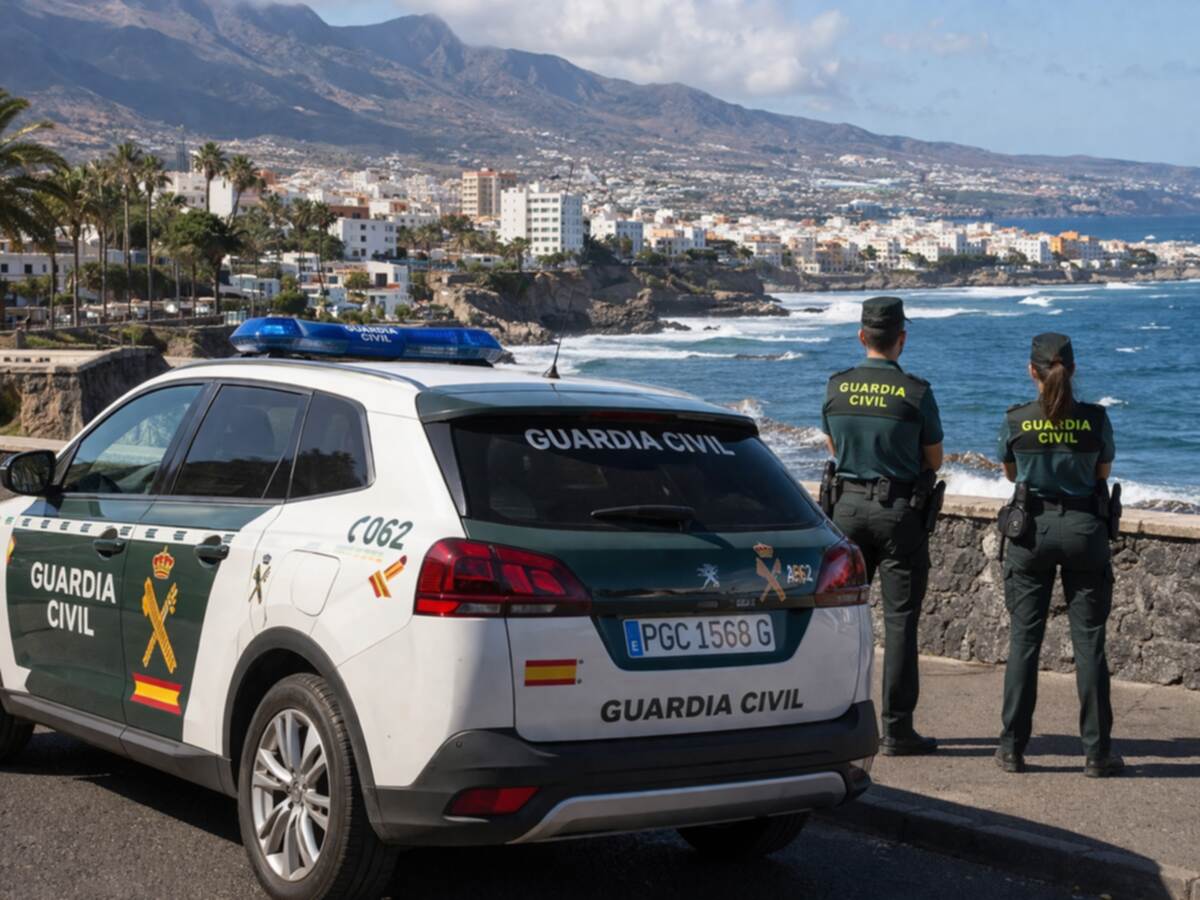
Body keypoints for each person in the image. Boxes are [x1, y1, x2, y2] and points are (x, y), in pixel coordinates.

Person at [995, 333, 1122, 777]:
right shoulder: (1094, 419)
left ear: (1032, 370)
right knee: (1090, 644)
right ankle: (1096, 753)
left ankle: (1012, 748)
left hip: (1030, 531)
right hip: (1085, 530)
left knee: (1024, 643)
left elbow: (1012, 473)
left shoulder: (1017, 420)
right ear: (1072, 368)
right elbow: (1101, 471)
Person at [822, 296, 943, 756]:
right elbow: (934, 458)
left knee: (842, 621)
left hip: (845, 511)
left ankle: (834, 715)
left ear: (861, 336)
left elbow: (835, 446)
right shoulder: (915, 392)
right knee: (900, 622)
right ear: (901, 340)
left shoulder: (837, 386)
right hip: (898, 513)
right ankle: (896, 730)